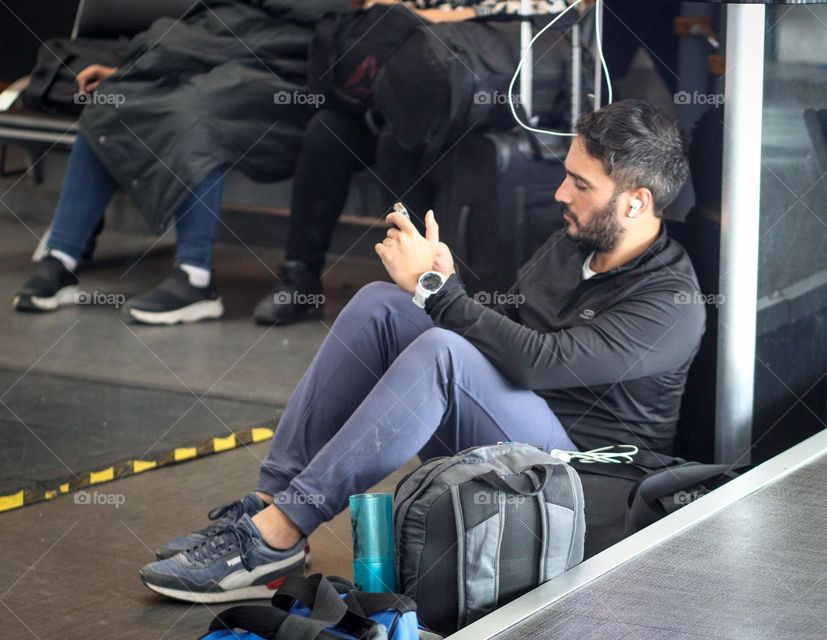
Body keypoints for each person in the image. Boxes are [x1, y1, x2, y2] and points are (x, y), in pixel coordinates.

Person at [138, 100, 704, 603]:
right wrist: (441, 281)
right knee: (381, 304)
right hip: (521, 434)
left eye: (581, 185)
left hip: (583, 484)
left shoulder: (671, 302)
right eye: (566, 177)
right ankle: (271, 507)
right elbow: (509, 330)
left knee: (442, 351)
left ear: (636, 202)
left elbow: (540, 361)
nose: (561, 194)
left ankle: (284, 530)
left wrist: (440, 296)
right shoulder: (574, 242)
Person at [13, 0, 348, 324]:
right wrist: (133, 68)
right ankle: (61, 257)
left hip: (285, 75)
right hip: (223, 60)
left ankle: (195, 277)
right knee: (114, 98)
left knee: (195, 114)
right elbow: (207, 34)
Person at [253, 0, 570, 324]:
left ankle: (419, 284)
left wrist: (437, 20)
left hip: (479, 98)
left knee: (399, 139)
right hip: (402, 90)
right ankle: (300, 278)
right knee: (327, 132)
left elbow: (549, 19)